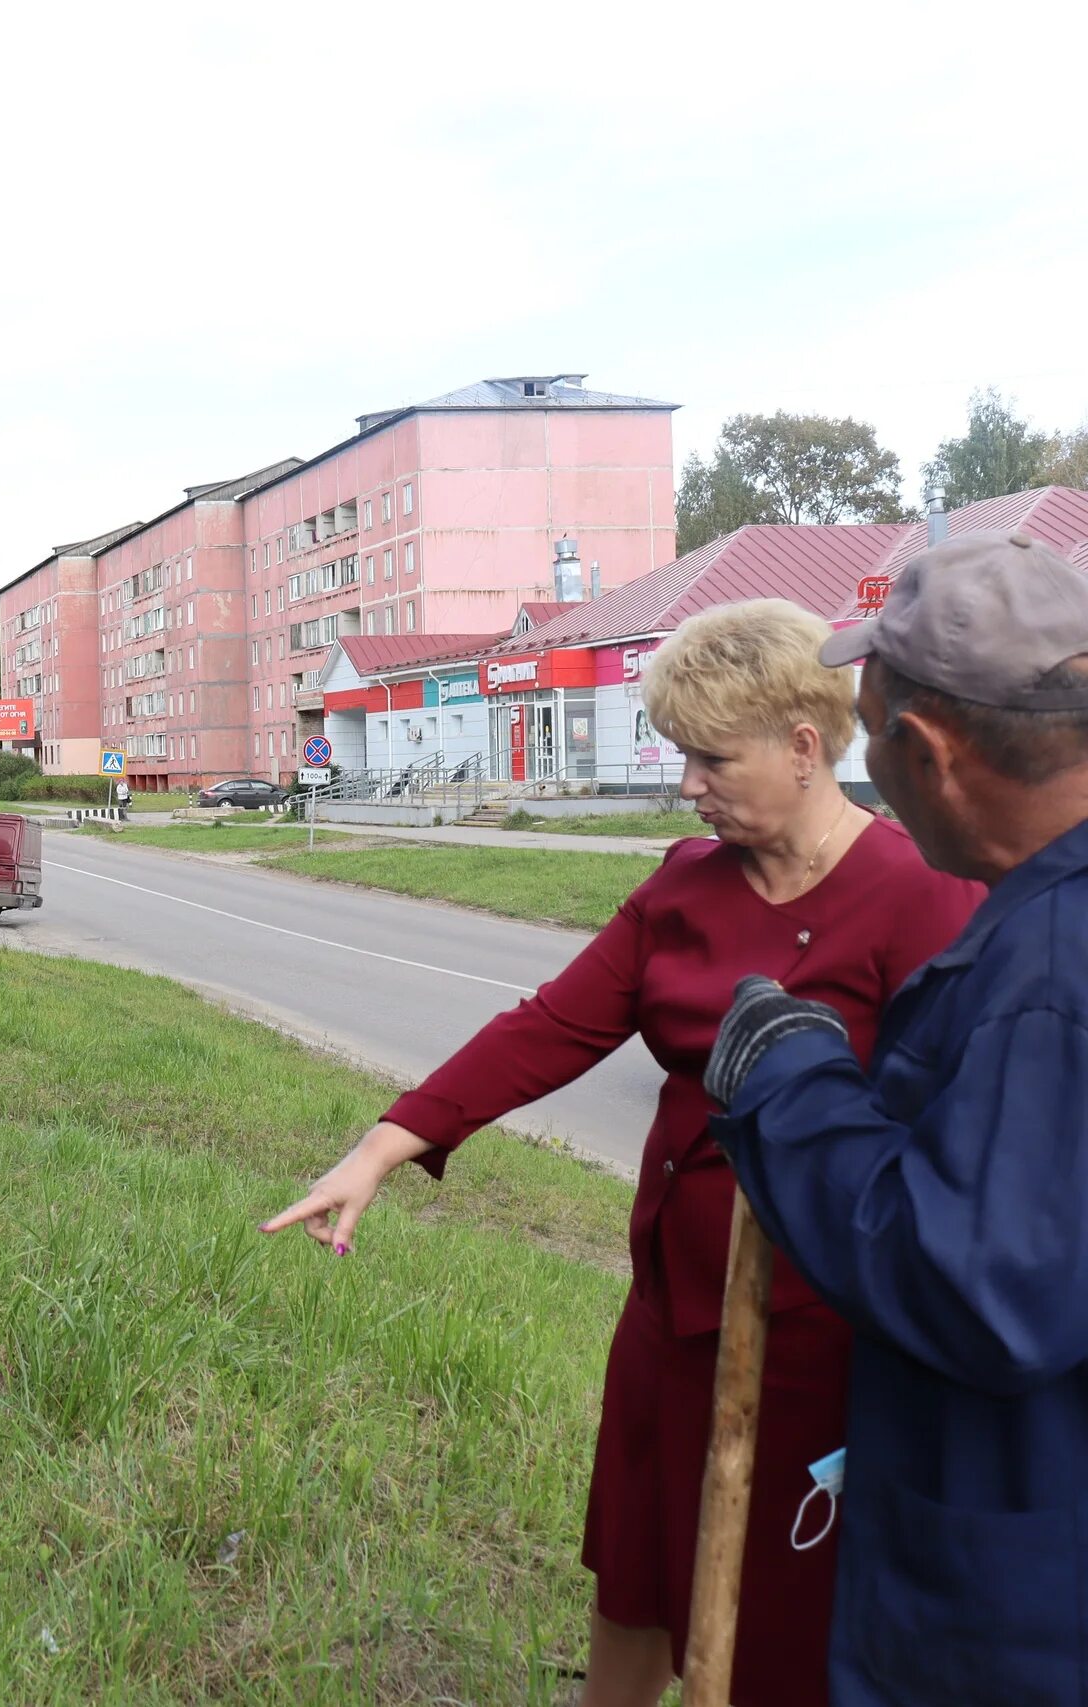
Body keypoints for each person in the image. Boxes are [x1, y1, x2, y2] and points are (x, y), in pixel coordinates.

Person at [260, 600, 981, 1707]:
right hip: (667, 1312)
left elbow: (952, 1139)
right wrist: (387, 1145)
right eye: (677, 755)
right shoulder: (686, 884)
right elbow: (552, 1026)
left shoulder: (918, 898)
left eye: (708, 757)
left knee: (777, 1606)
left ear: (803, 747)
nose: (687, 783)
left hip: (817, 1334)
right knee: (636, 1563)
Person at [704, 535, 1088, 1705]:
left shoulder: (1047, 977)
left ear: (923, 749)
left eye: (872, 734)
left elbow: (977, 1284)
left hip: (1023, 1595)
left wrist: (792, 1084)